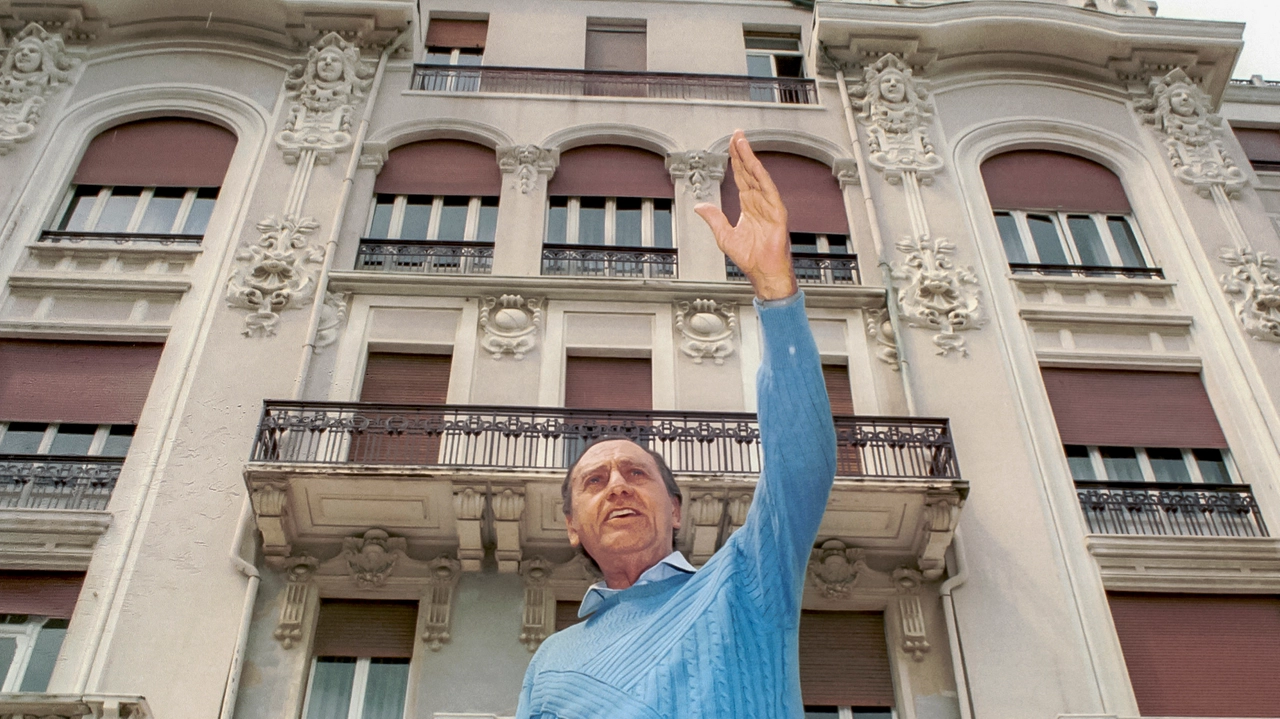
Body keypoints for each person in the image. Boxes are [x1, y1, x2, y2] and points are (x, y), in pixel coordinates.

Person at [516, 130, 838, 718]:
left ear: (676, 508)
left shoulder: (745, 583)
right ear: (570, 527)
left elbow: (801, 469)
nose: (616, 485)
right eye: (594, 481)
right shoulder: (551, 660)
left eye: (636, 473)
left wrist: (775, 292)